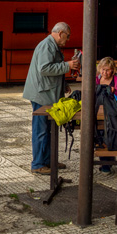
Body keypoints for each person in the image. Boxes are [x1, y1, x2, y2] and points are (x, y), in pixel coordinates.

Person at [22, 22, 79, 176]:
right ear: (60, 33)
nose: (67, 40)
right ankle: (39, 164)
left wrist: (63, 84)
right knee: (41, 130)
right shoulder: (46, 45)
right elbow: (45, 68)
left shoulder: (51, 45)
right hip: (42, 94)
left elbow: (53, 67)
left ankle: (48, 161)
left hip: (47, 93)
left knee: (49, 130)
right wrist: (67, 65)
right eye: (67, 37)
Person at [95, 57, 117, 173]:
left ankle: (107, 163)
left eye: (108, 70)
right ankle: (106, 162)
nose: (105, 73)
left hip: (114, 112)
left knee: (111, 131)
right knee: (100, 132)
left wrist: (116, 91)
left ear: (113, 70)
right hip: (99, 112)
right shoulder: (96, 79)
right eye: (103, 70)